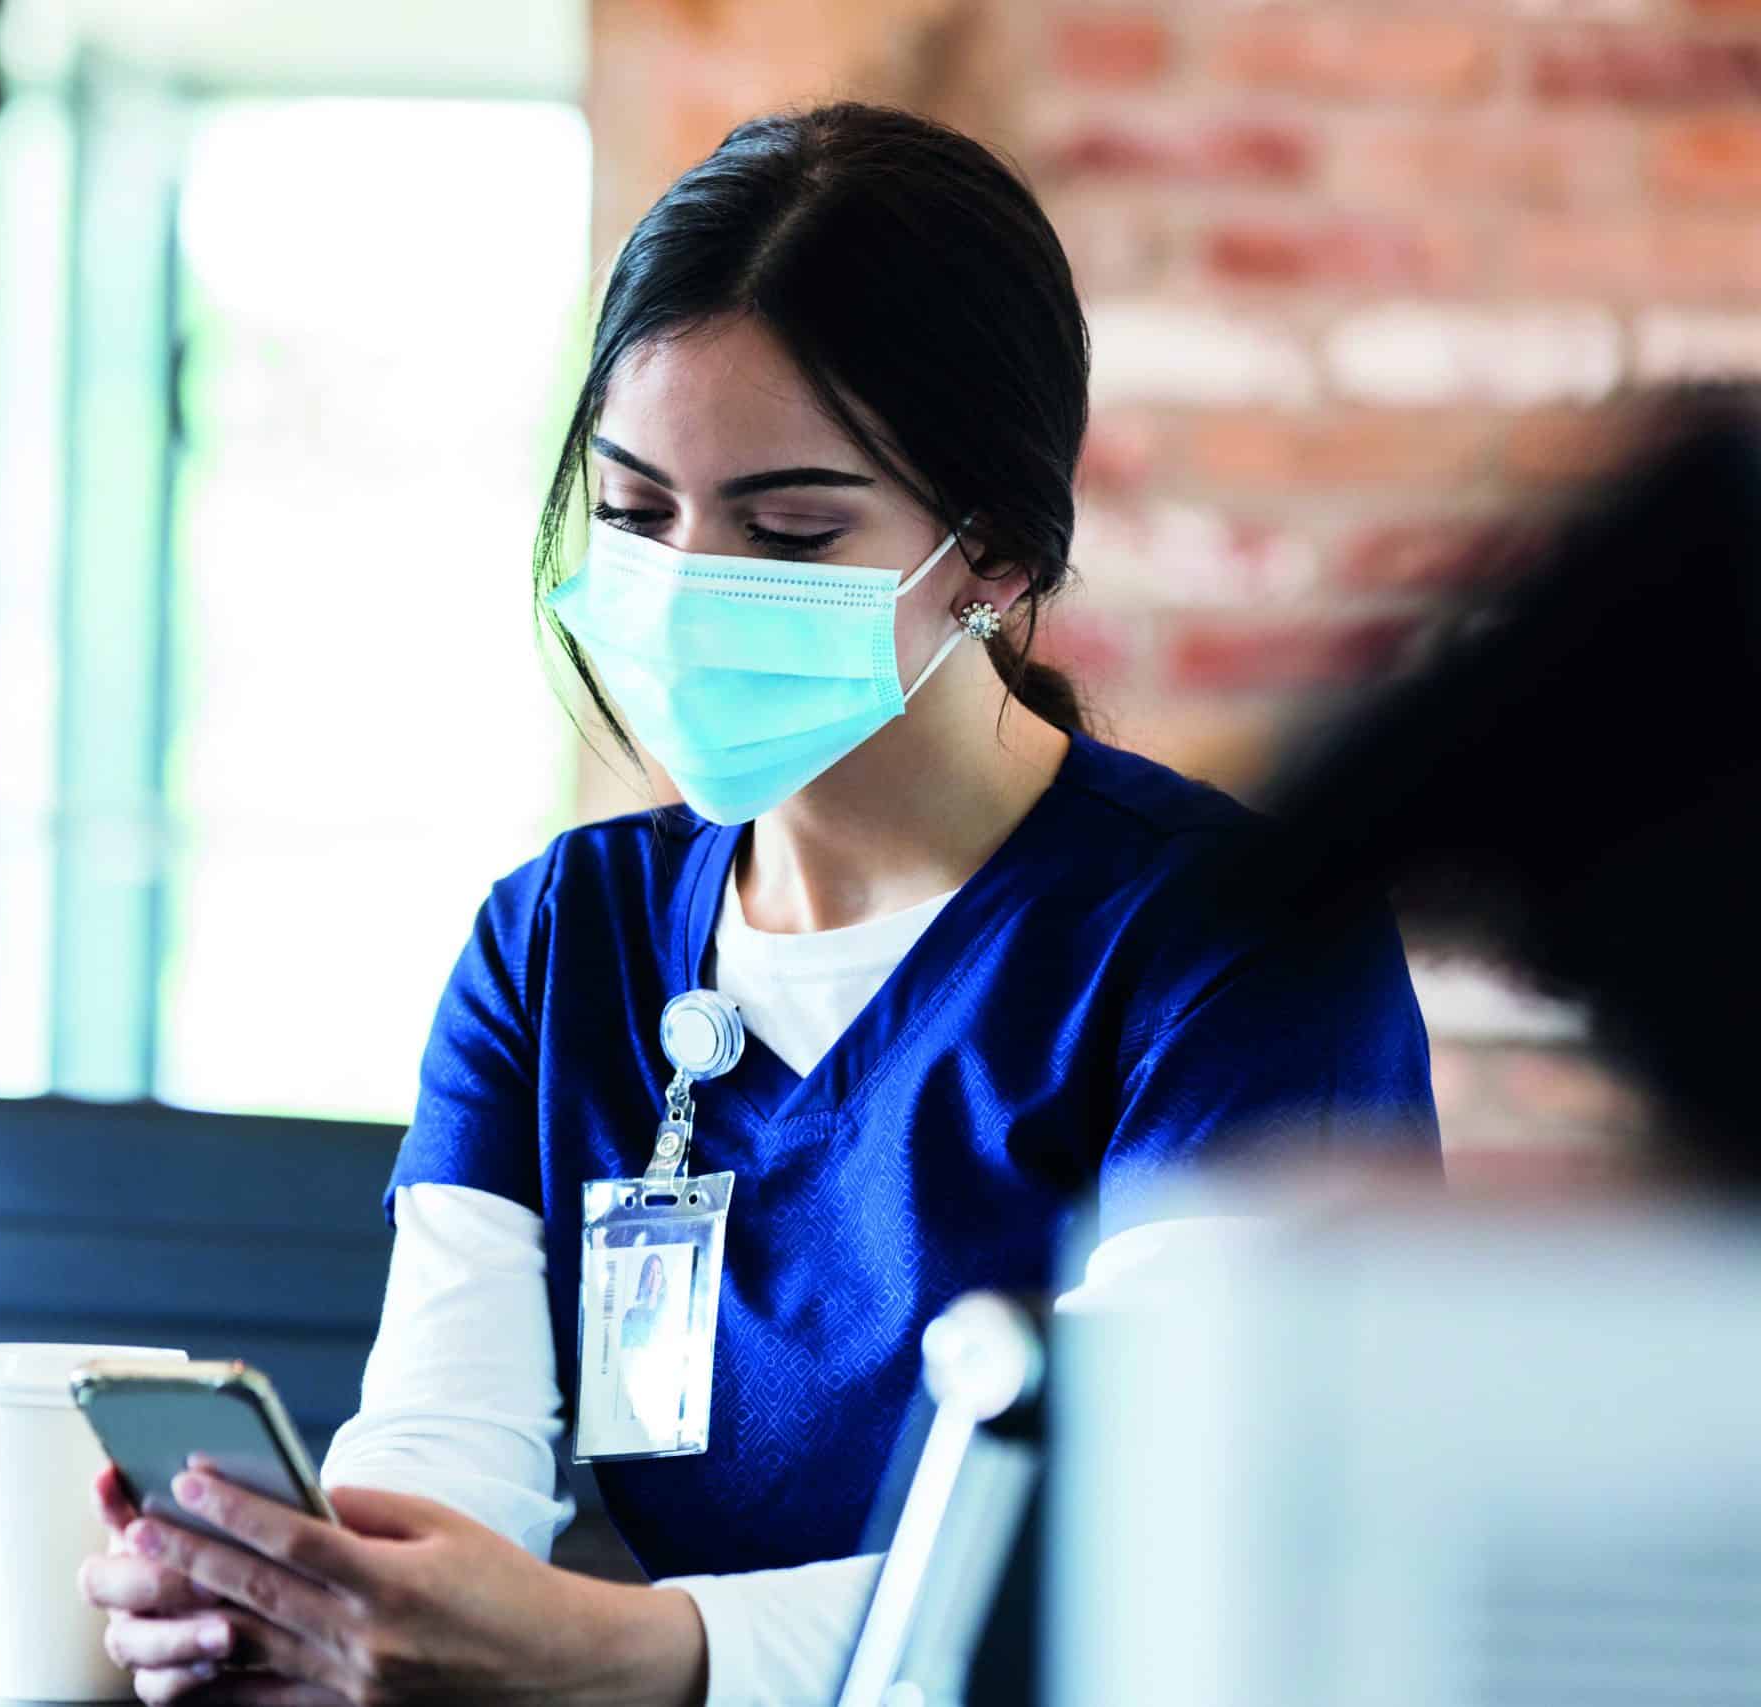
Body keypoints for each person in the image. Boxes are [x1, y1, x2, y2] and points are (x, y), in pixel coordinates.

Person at [79, 99, 1440, 1706]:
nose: (681, 588)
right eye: (637, 514)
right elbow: (451, 1438)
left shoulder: (1230, 950)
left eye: (788, 532)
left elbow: (1156, 1547)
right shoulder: (559, 941)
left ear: (991, 550)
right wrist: (326, 1594)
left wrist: (638, 1648)